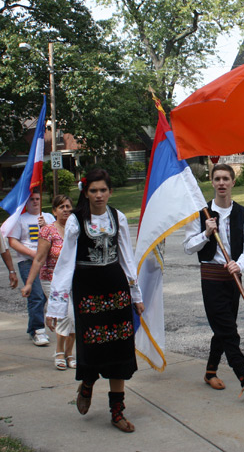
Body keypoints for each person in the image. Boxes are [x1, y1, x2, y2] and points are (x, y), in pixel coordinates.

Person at [45, 169, 144, 433]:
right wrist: (55, 306)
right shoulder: (76, 220)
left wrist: (136, 295)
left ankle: (117, 411)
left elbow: (126, 257)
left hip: (115, 287)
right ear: (85, 192)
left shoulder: (118, 217)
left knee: (120, 348)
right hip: (87, 288)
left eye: (103, 190)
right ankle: (87, 382)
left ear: (110, 192)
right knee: (93, 345)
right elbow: (65, 264)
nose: (99, 195)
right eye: (93, 191)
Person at [183, 163, 244, 401]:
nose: (221, 183)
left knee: (222, 329)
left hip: (233, 278)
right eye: (217, 178)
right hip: (211, 278)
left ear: (232, 182)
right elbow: (188, 247)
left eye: (225, 179)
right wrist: (206, 233)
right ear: (212, 182)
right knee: (229, 331)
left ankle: (210, 372)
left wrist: (239, 264)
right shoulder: (200, 214)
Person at [21, 195, 76, 371]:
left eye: (68, 206)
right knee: (65, 314)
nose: (66, 210)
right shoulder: (48, 231)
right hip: (51, 279)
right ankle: (59, 353)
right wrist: (29, 283)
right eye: (61, 207)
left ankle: (69, 353)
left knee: (75, 318)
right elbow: (38, 259)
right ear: (54, 211)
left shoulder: (76, 229)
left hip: (73, 279)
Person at [8, 188, 55, 345]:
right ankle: (37, 330)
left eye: (37, 199)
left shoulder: (48, 216)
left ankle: (34, 327)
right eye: (32, 199)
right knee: (36, 295)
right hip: (28, 262)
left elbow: (57, 234)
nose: (35, 201)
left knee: (48, 295)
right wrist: (33, 254)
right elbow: (13, 241)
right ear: (26, 202)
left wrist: (46, 225)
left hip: (48, 261)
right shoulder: (20, 219)